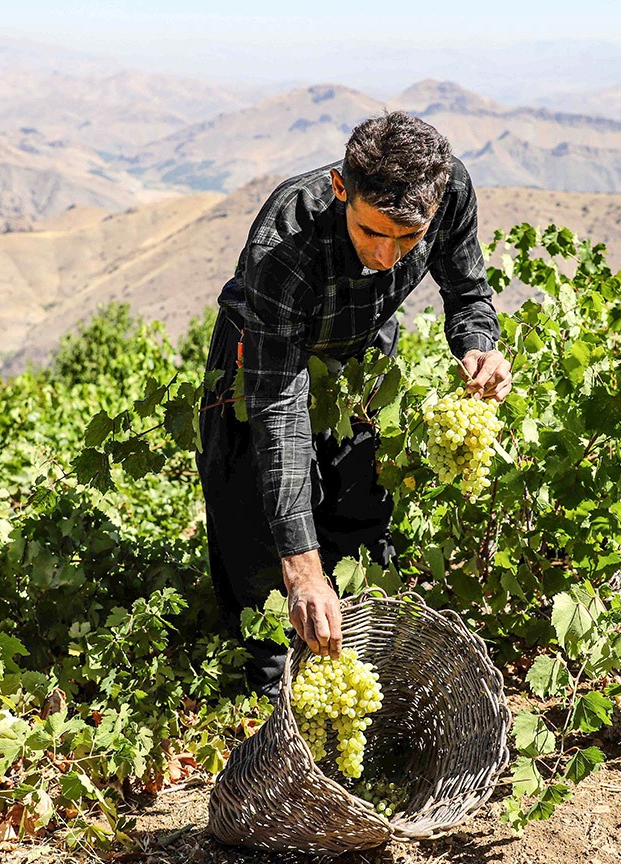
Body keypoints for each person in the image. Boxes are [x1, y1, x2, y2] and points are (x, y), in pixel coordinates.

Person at [195, 110, 513, 698]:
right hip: (261, 368)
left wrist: (478, 346)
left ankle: (356, 674)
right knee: (257, 535)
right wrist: (301, 565)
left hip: (361, 364)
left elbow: (467, 291)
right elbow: (277, 404)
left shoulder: (449, 190)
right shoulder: (285, 242)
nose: (389, 257)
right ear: (342, 188)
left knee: (360, 519)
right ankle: (273, 698)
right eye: (372, 232)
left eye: (409, 239)